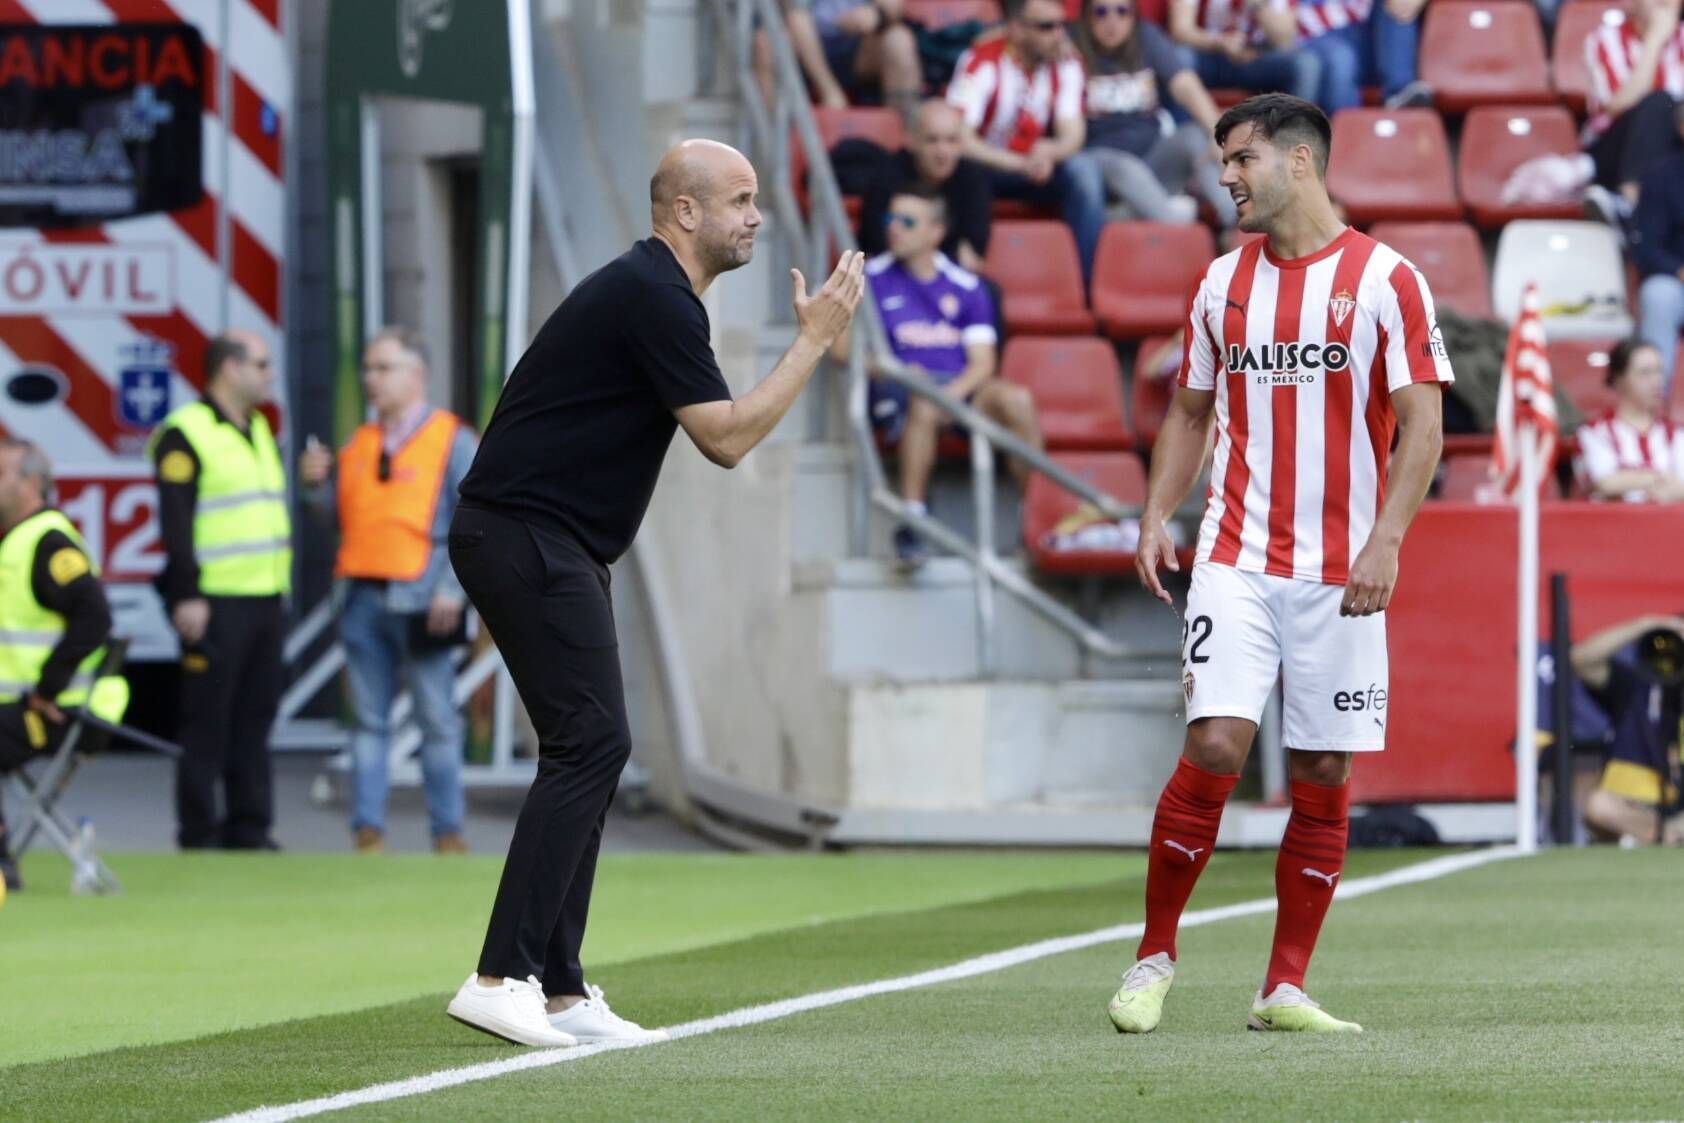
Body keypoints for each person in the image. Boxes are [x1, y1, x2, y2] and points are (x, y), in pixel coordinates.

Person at [443, 140, 865, 1048]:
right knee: (593, 742)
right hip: (524, 532)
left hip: (537, 536)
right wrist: (812, 342)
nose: (756, 216)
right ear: (684, 211)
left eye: (755, 200)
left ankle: (559, 987)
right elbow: (725, 438)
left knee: (588, 745)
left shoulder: (658, 293)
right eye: (740, 200)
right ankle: (499, 974)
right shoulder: (655, 296)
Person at [1111, 94, 1451, 1035]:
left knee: (1323, 765)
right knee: (1218, 741)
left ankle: (1283, 985)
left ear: (1300, 162)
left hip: (1343, 568)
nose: (1226, 177)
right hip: (1236, 554)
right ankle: (1153, 956)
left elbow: (1423, 423)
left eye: (1242, 160)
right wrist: (1154, 516)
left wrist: (1386, 538)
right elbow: (1188, 410)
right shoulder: (1222, 283)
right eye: (1223, 162)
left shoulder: (1388, 279)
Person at [299, 328, 477, 854]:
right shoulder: (360, 443)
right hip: (361, 598)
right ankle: (367, 830)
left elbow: (477, 520)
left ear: (416, 374)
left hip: (425, 601)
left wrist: (453, 589)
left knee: (437, 720)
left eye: (383, 368)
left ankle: (448, 832)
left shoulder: (452, 440)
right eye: (368, 369)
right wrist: (315, 487)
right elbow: (338, 518)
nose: (370, 379)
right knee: (368, 722)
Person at [839, 185, 1041, 567]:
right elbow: (837, 348)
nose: (895, 228)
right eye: (890, 219)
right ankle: (913, 521)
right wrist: (879, 363)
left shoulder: (966, 285)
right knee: (925, 401)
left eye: (908, 221)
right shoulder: (869, 278)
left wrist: (954, 392)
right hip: (903, 388)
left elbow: (983, 362)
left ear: (935, 231)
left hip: (959, 389)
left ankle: (1038, 518)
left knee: (1017, 400)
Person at [151, 330, 290, 852]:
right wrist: (186, 593)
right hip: (214, 599)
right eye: (261, 363)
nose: (269, 373)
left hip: (264, 595)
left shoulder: (256, 428)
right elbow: (176, 520)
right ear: (229, 369)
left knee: (255, 717)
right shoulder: (185, 432)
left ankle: (250, 826)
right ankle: (199, 830)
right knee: (206, 721)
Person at [0, 440, 125, 893]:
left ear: (31, 484)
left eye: (1, 475)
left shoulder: (48, 543)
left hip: (56, 710)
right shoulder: (18, 541)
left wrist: (47, 689)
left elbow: (95, 616)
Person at [946, 0, 1107, 285]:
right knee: (966, 169)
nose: (1059, 34)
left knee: (1084, 171)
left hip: (1037, 168)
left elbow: (1073, 135)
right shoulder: (982, 59)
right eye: (1047, 26)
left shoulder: (1067, 62)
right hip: (990, 166)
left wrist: (1051, 151)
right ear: (1017, 29)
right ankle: (971, 280)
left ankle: (1085, 284)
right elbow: (960, 138)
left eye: (1062, 25)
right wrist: (1019, 164)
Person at [1068, 0, 1238, 229]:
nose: (1112, 21)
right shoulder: (1069, 42)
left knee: (1196, 137)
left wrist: (1218, 132)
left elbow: (1184, 84)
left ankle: (1235, 223)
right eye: (1101, 12)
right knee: (1126, 167)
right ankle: (1175, 222)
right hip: (1099, 159)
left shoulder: (1146, 36)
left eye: (1121, 11)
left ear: (1133, 16)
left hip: (1152, 159)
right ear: (1087, 16)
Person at [1571, 615, 1684, 845]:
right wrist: (1647, 626)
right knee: (1599, 805)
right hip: (1634, 805)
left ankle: (1666, 834)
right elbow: (1581, 660)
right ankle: (1664, 835)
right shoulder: (1637, 687)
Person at [1580, 0, 1684, 235]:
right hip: (1615, 149)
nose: (1665, 3)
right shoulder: (1604, 40)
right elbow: (1618, 104)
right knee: (1659, 104)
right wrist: (1655, 42)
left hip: (1674, 151)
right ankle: (1629, 205)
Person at [859, 99, 995, 274]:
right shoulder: (885, 176)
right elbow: (877, 242)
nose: (942, 152)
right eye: (932, 140)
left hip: (948, 276)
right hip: (895, 273)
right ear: (911, 141)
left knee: (989, 292)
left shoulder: (974, 178)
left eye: (951, 141)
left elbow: (974, 250)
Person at [760, 0, 923, 116]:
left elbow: (894, 6)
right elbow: (795, 17)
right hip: (804, 53)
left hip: (859, 47)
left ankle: (908, 134)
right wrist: (829, 89)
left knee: (899, 40)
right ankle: (778, 149)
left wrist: (876, 14)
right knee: (766, 43)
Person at [1574, 338, 1684, 502]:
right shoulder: (1595, 431)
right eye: (1645, 373)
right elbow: (1602, 482)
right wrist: (1658, 478)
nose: (1657, 381)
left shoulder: (1675, 433)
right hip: (1611, 525)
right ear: (1619, 379)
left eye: (1659, 371)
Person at [1167, 0, 1321, 106]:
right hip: (1207, 54)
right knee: (1178, 58)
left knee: (1306, 64)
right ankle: (1184, 136)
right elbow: (1180, 30)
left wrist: (1258, 4)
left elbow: (1285, 42)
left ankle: (1292, 139)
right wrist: (1219, 42)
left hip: (1256, 59)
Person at [1295, 0, 1432, 113]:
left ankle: (1400, 93)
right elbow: (1281, 33)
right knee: (1341, 58)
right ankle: (1348, 139)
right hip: (1315, 39)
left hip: (1367, 36)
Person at [1633, 100, 1684, 382]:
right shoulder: (1661, 176)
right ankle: (1654, 403)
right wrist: (1679, 271)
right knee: (1659, 296)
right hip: (1677, 282)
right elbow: (1646, 249)